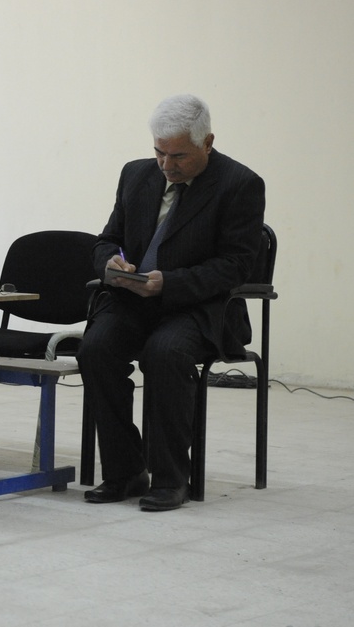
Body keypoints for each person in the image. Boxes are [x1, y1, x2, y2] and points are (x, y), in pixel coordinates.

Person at [77, 94, 265, 511]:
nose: (167, 165)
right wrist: (109, 262)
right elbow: (107, 237)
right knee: (96, 349)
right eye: (159, 153)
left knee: (165, 353)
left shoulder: (240, 185)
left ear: (208, 142)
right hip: (133, 301)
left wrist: (170, 284)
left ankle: (170, 477)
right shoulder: (135, 175)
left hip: (197, 307)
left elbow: (235, 266)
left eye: (178, 155)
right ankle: (125, 471)